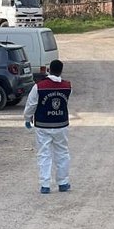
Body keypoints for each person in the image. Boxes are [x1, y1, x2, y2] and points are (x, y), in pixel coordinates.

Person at [23, 59, 71, 194]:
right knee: (62, 153)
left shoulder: (39, 86)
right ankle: (63, 182)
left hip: (43, 125)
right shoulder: (67, 86)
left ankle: (45, 184)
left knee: (44, 154)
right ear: (61, 70)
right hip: (61, 124)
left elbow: (31, 105)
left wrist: (27, 118)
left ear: (49, 70)